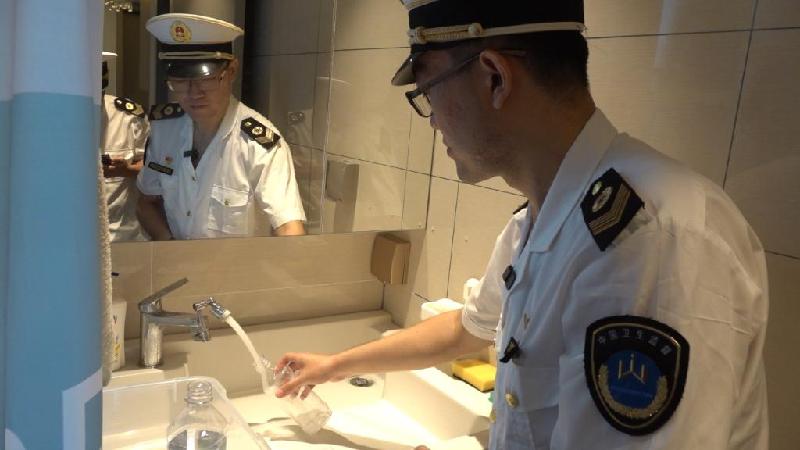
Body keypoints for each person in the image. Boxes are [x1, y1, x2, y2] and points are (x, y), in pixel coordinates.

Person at [274, 1, 769, 449]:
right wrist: (335, 365)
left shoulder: (647, 239)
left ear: (495, 78)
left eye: (428, 91)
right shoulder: (544, 217)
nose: (432, 120)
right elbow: (467, 330)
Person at [137, 13, 306, 240]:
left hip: (236, 263)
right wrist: (170, 246)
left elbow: (290, 230)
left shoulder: (258, 144)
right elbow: (146, 203)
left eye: (206, 79)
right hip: (176, 260)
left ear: (231, 71)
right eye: (181, 81)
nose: (193, 93)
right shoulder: (164, 131)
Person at [101, 52, 150, 241]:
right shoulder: (45, 122)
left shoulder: (128, 117)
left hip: (121, 235)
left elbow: (155, 168)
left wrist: (127, 170)